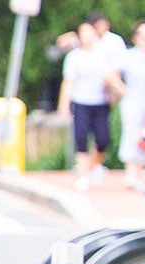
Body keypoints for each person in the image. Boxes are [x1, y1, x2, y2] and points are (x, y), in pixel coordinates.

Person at [58, 22, 121, 191]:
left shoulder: (103, 54)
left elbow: (111, 75)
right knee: (81, 136)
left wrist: (122, 90)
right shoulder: (74, 57)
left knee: (103, 139)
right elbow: (69, 82)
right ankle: (83, 174)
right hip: (81, 101)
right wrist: (63, 104)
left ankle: (94, 165)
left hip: (100, 101)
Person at [115, 20, 145, 187]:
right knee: (131, 134)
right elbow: (111, 74)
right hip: (132, 101)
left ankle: (140, 172)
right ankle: (130, 171)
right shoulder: (128, 56)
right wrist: (123, 90)